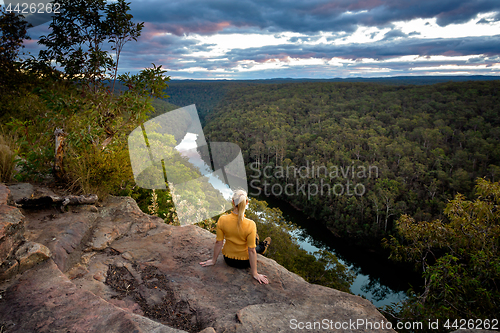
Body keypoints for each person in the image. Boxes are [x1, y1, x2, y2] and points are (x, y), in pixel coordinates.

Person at [199, 189, 271, 284]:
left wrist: (213, 260)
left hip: (228, 260)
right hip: (245, 263)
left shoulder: (222, 219)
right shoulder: (250, 224)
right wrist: (255, 273)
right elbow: (251, 251)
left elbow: (219, 242)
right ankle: (261, 247)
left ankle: (257, 243)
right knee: (254, 247)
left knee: (252, 245)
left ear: (233, 202)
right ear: (247, 202)